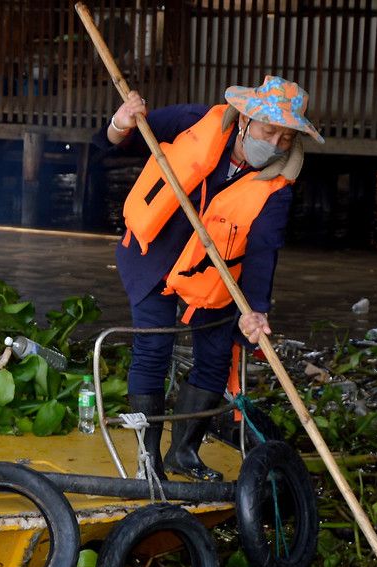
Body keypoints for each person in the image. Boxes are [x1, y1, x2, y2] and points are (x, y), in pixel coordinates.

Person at [96, 75, 323, 481]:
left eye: (286, 138)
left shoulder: (279, 186)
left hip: (214, 270)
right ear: (244, 121)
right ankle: (149, 460)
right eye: (268, 130)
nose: (275, 144)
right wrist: (121, 121)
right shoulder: (194, 120)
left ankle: (184, 451)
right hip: (156, 252)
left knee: (216, 355)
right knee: (154, 347)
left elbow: (262, 252)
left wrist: (254, 312)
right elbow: (123, 139)